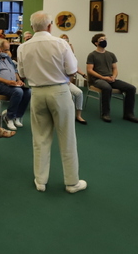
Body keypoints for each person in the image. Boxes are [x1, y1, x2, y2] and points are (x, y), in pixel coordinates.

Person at [17, 11, 86, 194]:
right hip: (59, 92)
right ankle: (72, 183)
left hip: (37, 93)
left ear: (32, 27)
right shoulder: (61, 43)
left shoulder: (23, 47)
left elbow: (22, 74)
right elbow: (72, 70)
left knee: (40, 138)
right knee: (67, 137)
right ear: (49, 26)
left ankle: (40, 180)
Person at [86, 34, 138, 123]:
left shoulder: (111, 54)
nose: (104, 41)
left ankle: (129, 114)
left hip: (110, 79)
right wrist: (103, 77)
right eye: (101, 39)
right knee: (107, 88)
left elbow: (115, 68)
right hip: (98, 80)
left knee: (131, 88)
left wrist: (114, 76)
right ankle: (105, 113)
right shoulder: (92, 55)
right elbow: (90, 70)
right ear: (96, 43)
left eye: (105, 39)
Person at [0, 39, 31, 130]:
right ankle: (9, 117)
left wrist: (19, 80)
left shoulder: (7, 57)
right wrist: (7, 82)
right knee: (18, 91)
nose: (7, 52)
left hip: (11, 84)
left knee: (28, 92)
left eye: (8, 49)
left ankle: (17, 116)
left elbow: (15, 71)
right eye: (6, 50)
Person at [59, 35, 87, 124]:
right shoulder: (57, 55)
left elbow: (75, 67)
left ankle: (78, 116)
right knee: (70, 96)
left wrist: (83, 74)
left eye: (67, 40)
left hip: (68, 82)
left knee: (79, 93)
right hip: (59, 83)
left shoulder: (71, 57)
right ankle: (67, 116)